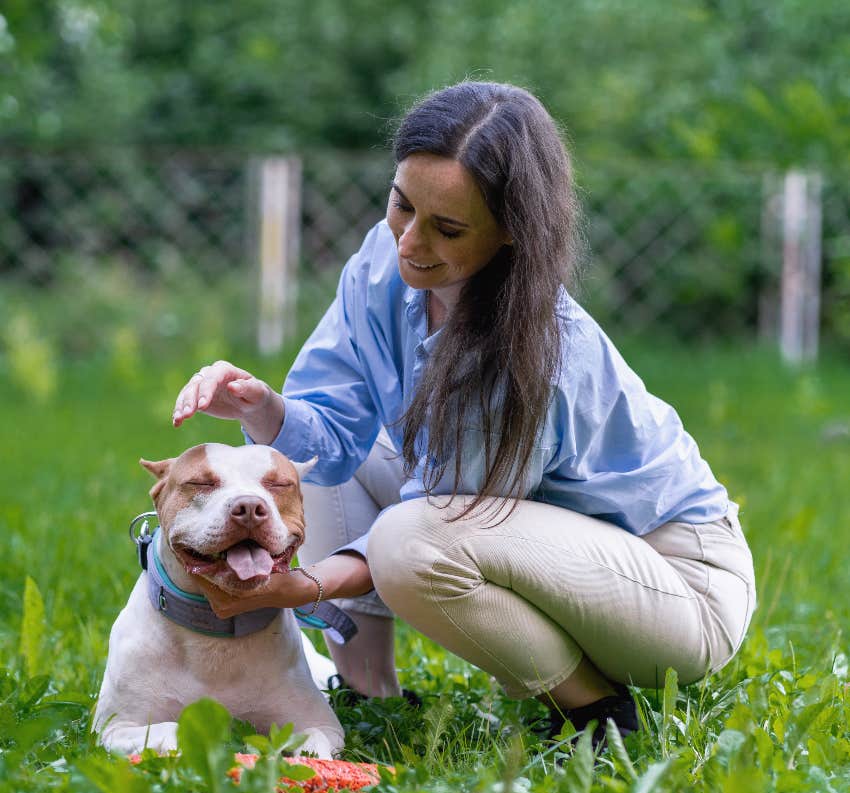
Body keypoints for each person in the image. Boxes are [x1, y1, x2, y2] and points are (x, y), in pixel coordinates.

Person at [172, 81, 756, 744]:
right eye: (402, 205)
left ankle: (595, 713)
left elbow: (435, 527)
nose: (410, 243)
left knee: (406, 543)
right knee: (321, 467)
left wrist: (301, 587)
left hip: (675, 587)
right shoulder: (382, 264)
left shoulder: (533, 347)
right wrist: (262, 406)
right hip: (535, 537)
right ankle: (368, 696)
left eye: (446, 228)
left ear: (512, 234)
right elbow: (329, 440)